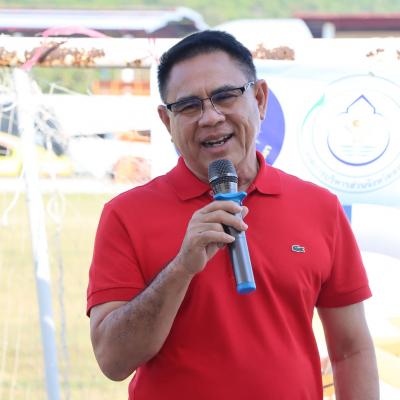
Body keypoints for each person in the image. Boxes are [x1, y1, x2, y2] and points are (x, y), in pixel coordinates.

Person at [87, 30, 379, 399]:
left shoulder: (319, 207)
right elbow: (113, 361)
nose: (210, 117)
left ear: (259, 99)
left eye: (225, 96)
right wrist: (181, 269)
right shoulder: (126, 215)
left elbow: (351, 350)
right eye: (189, 106)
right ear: (166, 121)